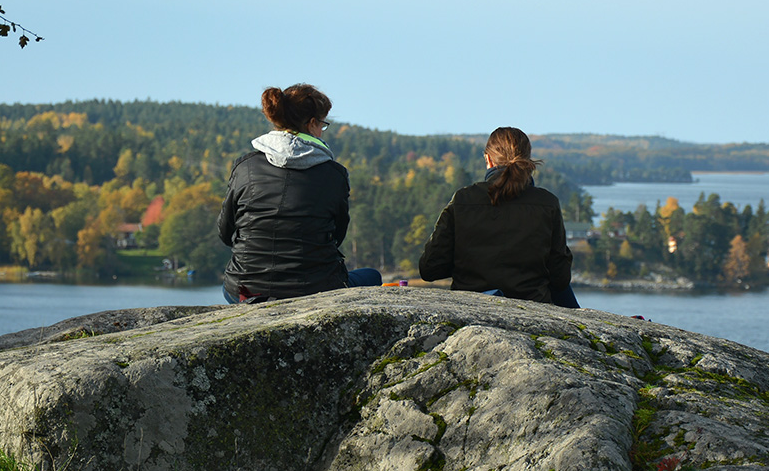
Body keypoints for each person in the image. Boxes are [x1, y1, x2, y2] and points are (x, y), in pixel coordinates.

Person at [217, 83, 380, 304]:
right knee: (373, 276)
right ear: (312, 123)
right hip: (316, 290)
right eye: (323, 124)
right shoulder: (334, 175)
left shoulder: (245, 167)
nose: (323, 130)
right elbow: (337, 236)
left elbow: (225, 232)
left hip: (245, 290)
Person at [419, 127, 579, 308]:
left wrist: (467, 263)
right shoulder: (547, 203)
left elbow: (429, 268)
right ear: (526, 160)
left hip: (471, 307)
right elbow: (560, 278)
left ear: (488, 159)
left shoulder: (463, 200)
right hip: (532, 307)